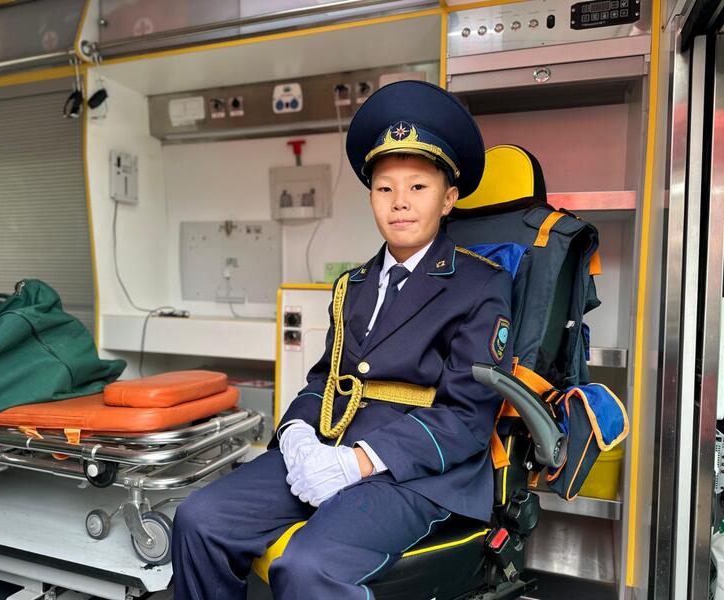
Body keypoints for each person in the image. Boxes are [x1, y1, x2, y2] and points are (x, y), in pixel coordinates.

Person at [171, 80, 513, 600]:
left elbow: (467, 417)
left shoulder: (480, 284)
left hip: (416, 471)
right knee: (198, 518)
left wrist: (358, 461)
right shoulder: (352, 284)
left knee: (308, 566)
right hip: (331, 444)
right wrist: (296, 435)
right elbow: (325, 380)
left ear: (449, 199)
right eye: (385, 189)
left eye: (418, 188)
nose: (400, 203)